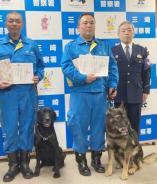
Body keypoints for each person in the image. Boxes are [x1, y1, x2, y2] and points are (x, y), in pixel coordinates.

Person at [0, 11, 44, 182]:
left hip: (28, 93)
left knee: (26, 127)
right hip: (7, 94)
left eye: (17, 21)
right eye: (11, 21)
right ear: (5, 24)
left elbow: (40, 66)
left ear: (22, 24)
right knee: (9, 129)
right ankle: (12, 165)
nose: (14, 24)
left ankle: (24, 163)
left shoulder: (31, 44)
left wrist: (38, 76)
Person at [61, 13, 118, 176]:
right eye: (85, 23)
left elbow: (112, 67)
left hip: (100, 94)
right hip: (80, 94)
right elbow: (65, 67)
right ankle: (81, 161)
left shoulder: (104, 45)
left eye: (91, 23)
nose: (89, 25)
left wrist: (112, 85)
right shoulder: (71, 47)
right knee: (78, 127)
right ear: (78, 27)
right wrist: (83, 78)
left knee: (99, 128)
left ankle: (96, 159)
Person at [111, 21, 151, 135]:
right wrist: (110, 89)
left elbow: (147, 72)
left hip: (136, 93)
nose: (126, 33)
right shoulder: (112, 51)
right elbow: (109, 73)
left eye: (129, 30)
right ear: (118, 34)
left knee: (134, 126)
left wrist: (146, 90)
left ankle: (134, 151)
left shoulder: (142, 50)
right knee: (120, 127)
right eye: (123, 31)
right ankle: (121, 152)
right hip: (118, 93)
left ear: (133, 33)